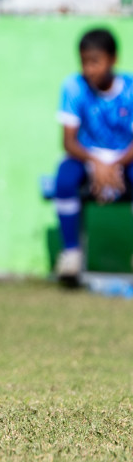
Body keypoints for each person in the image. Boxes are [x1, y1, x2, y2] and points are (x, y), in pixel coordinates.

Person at [52, 27, 133, 286]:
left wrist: (115, 165)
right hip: (86, 157)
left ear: (113, 60)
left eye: (95, 62)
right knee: (64, 179)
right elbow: (68, 142)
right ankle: (72, 254)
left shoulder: (130, 90)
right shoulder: (73, 87)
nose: (89, 69)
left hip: (125, 158)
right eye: (84, 62)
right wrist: (96, 163)